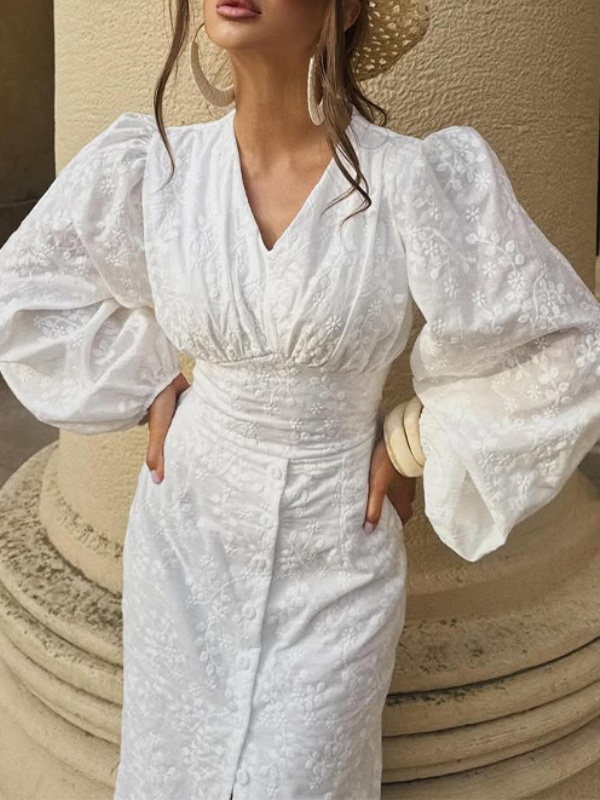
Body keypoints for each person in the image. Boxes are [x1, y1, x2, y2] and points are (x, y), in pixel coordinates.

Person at [1, 1, 599, 798]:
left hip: (336, 537)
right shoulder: (157, 168)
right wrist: (147, 385)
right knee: (173, 768)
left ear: (344, 9)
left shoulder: (412, 179)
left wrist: (416, 442)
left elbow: (563, 346)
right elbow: (28, 290)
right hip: (186, 530)